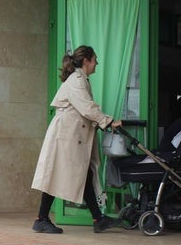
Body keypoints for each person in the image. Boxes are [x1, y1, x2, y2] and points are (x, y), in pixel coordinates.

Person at [31, 45, 122, 234]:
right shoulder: (76, 80)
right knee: (55, 174)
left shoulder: (81, 79)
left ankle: (98, 219)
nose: (97, 63)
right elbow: (86, 107)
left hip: (71, 136)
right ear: (86, 60)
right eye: (95, 59)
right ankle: (41, 219)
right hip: (65, 136)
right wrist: (108, 121)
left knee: (84, 174)